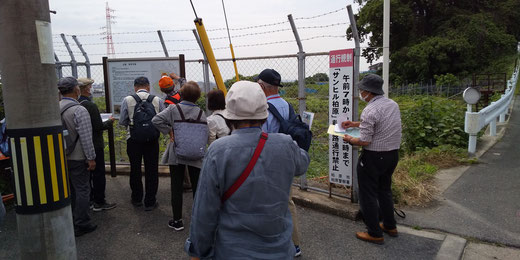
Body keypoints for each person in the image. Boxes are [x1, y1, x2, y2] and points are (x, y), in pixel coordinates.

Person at [185, 81, 310, 259]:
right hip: (280, 251)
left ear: (229, 117)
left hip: (232, 251)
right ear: (265, 115)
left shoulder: (218, 150)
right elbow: (302, 164)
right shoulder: (285, 144)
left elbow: (204, 209)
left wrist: (199, 250)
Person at [341, 74, 402, 245]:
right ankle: (390, 225)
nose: (360, 93)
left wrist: (349, 139)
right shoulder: (392, 105)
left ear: (368, 92)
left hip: (373, 156)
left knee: (367, 194)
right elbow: (379, 124)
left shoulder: (370, 109)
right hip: (392, 155)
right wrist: (354, 124)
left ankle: (374, 233)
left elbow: (364, 140)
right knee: (384, 190)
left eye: (361, 90)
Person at [257, 68, 303, 257]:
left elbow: (261, 138)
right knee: (287, 201)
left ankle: (271, 242)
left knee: (264, 202)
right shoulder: (287, 105)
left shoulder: (263, 109)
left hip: (268, 161)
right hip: (287, 159)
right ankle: (295, 244)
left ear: (262, 86)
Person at [152, 81, 207, 231]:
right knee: (197, 187)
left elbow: (155, 120)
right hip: (196, 154)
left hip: (177, 152)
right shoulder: (202, 113)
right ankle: (198, 220)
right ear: (197, 97)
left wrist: (169, 131)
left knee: (176, 187)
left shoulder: (173, 109)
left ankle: (177, 221)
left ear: (181, 95)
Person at [58, 77, 97, 237]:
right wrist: (91, 158)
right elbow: (86, 137)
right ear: (76, 90)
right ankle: (82, 223)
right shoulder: (79, 110)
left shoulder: (56, 107)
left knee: (70, 189)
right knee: (82, 189)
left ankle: (71, 218)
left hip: (62, 156)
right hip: (78, 156)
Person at [119, 77, 164, 211]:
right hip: (152, 139)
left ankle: (137, 198)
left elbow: (122, 121)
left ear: (135, 87)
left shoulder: (127, 100)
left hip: (133, 139)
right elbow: (162, 119)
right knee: (152, 169)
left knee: (135, 168)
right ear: (148, 86)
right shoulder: (157, 100)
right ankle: (150, 201)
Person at [77, 78, 116, 212]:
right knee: (98, 173)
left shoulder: (76, 103)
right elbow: (98, 126)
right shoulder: (90, 105)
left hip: (79, 145)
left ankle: (89, 199)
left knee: (86, 175)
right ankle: (99, 201)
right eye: (90, 86)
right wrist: (110, 122)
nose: (91, 89)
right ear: (87, 88)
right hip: (95, 144)